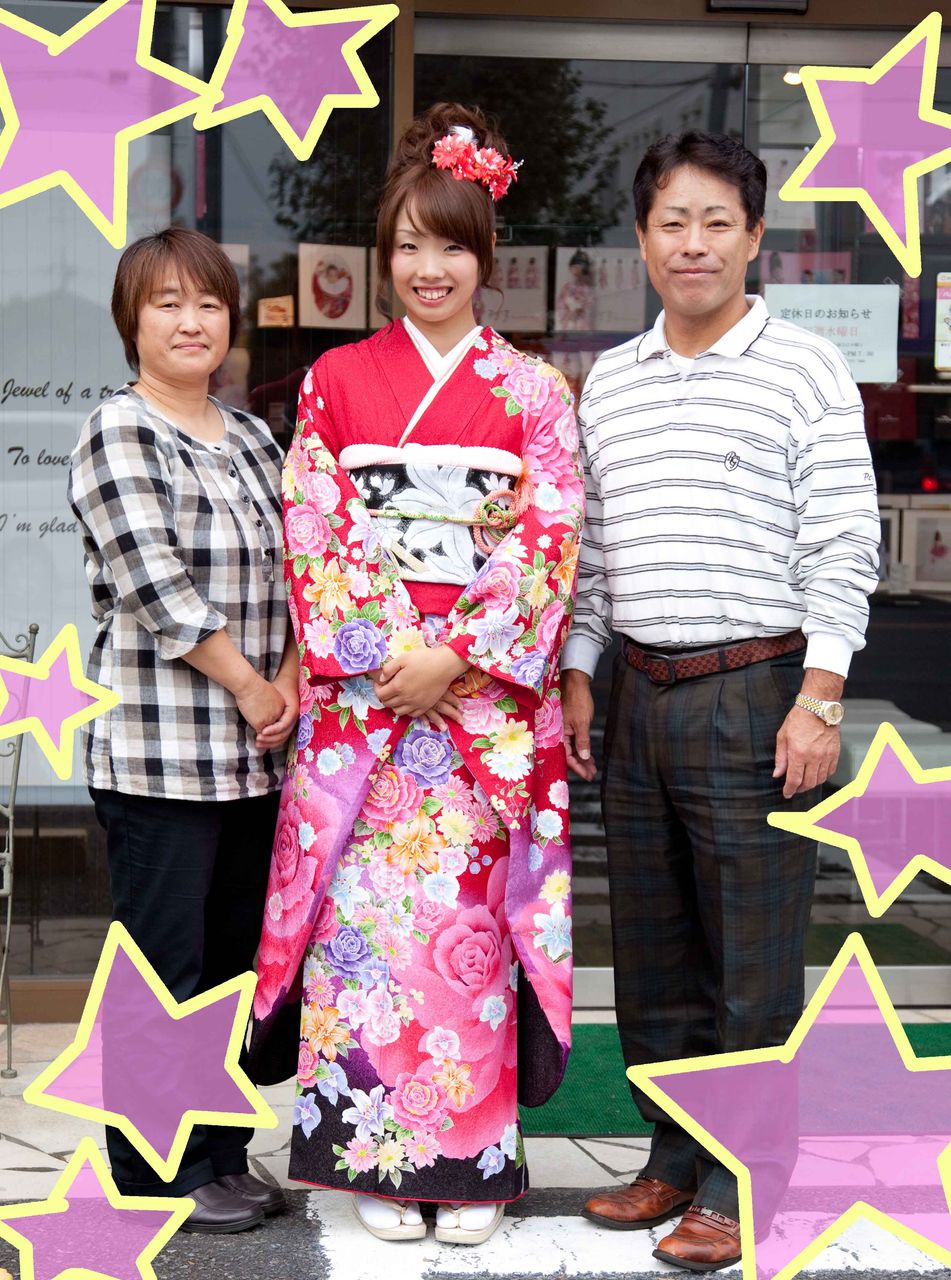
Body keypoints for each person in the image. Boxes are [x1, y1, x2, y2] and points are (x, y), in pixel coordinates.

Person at [249, 102, 583, 1246]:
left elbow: (550, 532)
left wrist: (457, 656)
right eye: (407, 245)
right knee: (369, 939)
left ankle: (470, 1165)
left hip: (475, 711)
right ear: (383, 255)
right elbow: (314, 522)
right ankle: (373, 1161)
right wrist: (399, 655)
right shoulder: (336, 380)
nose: (428, 267)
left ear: (485, 254)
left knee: (467, 940)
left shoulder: (534, 392)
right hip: (377, 705)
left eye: (450, 245)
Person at [560, 131, 880, 1273]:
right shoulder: (611, 382)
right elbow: (593, 557)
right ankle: (671, 1157)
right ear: (642, 238)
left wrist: (821, 697)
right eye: (671, 222)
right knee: (651, 955)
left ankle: (745, 1183)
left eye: (715, 222)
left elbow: (843, 541)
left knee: (751, 961)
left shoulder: (805, 369)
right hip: (637, 692)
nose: (691, 243)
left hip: (757, 691)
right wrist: (581, 672)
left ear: (753, 237)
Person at [68, 227, 299, 1234]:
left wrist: (289, 678)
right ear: (133, 320)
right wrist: (251, 684)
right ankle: (154, 1169)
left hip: (253, 759)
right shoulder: (118, 430)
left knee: (232, 971)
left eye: (207, 302)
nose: (191, 321)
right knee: (165, 971)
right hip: (159, 759)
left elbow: (304, 571)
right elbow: (155, 586)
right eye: (166, 303)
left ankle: (219, 1154)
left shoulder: (250, 437)